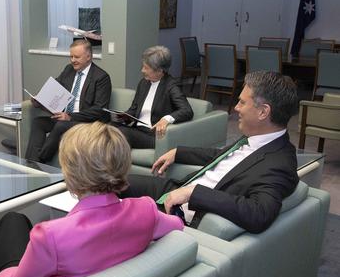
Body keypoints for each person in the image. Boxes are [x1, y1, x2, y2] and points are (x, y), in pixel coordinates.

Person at [0, 122, 184, 277]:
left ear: (70, 173)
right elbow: (177, 225)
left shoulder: (50, 235)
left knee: (11, 222)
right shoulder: (146, 211)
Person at [121, 70, 299, 233]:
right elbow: (220, 156)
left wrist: (194, 193)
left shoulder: (280, 163)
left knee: (122, 221)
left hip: (186, 209)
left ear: (263, 112)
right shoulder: (254, 138)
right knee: (112, 182)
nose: (236, 108)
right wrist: (178, 152)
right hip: (177, 189)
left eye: (242, 102)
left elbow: (259, 214)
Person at [24, 39, 111, 163]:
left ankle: (39, 161)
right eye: (71, 56)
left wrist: (70, 116)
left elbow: (99, 110)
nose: (73, 60)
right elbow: (54, 88)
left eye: (77, 57)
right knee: (39, 122)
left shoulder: (101, 77)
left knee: (61, 125)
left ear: (88, 57)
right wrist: (40, 99)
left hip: (85, 122)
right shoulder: (69, 70)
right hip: (63, 118)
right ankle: (31, 164)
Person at [111, 45, 193, 148]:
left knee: (122, 133)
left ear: (160, 70)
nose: (142, 70)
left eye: (146, 68)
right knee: (109, 128)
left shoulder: (171, 86)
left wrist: (166, 119)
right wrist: (123, 116)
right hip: (137, 129)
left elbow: (187, 110)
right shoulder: (144, 83)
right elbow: (134, 108)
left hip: (152, 135)